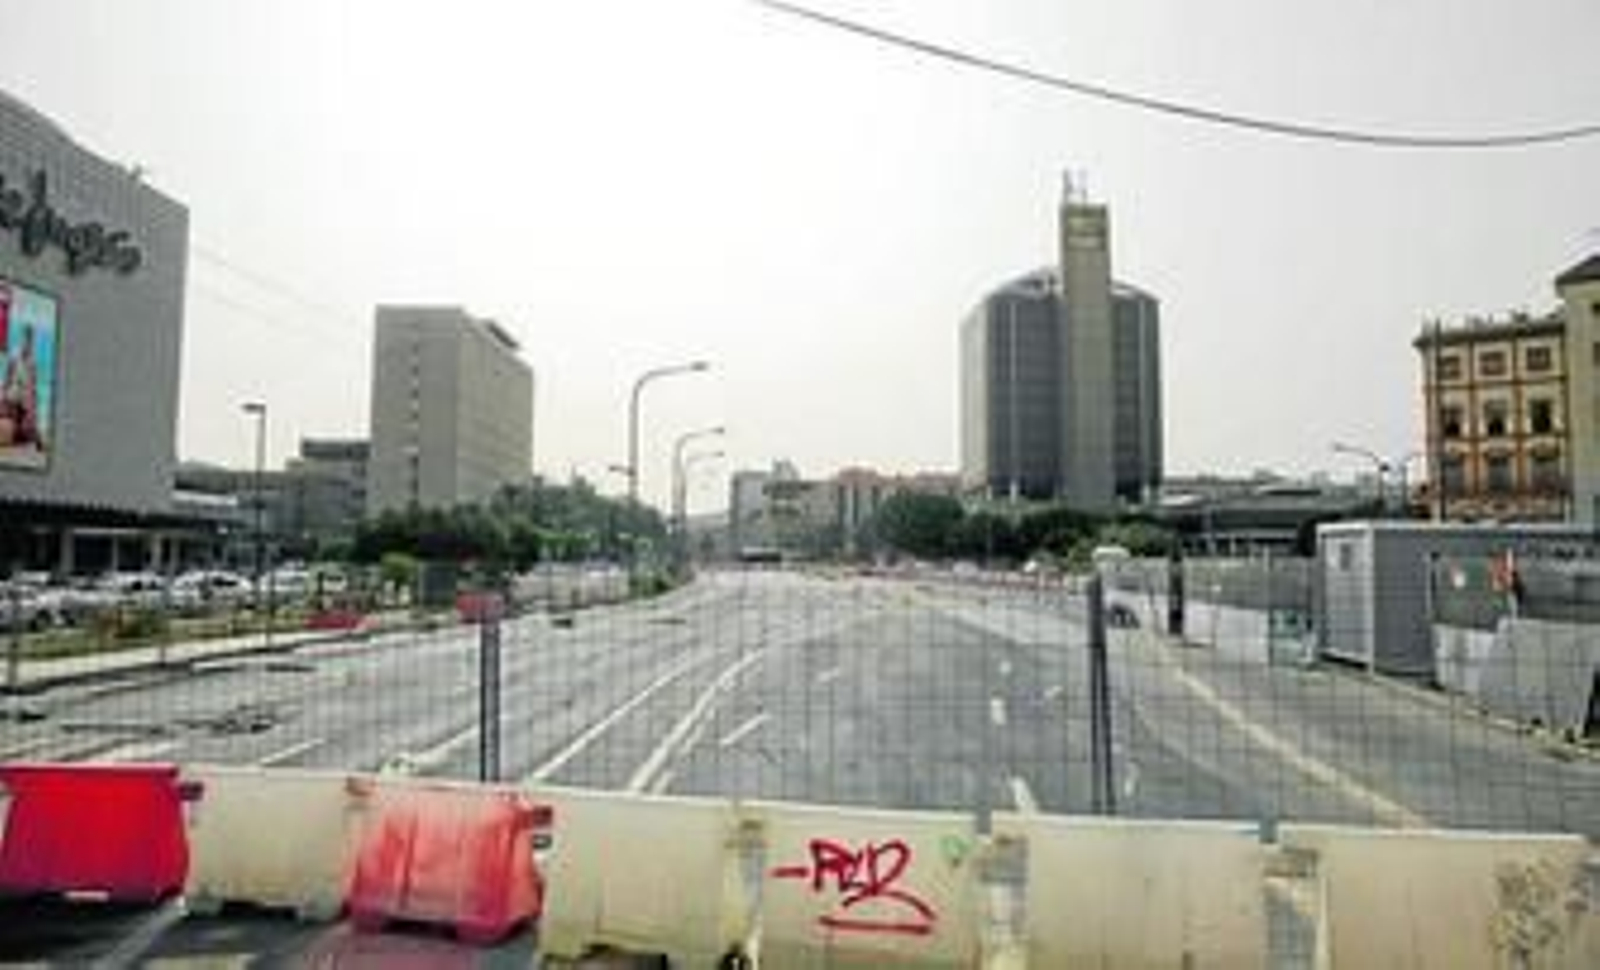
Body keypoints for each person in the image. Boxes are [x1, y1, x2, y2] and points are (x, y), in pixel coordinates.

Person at [2, 324, 40, 449]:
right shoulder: (14, 356)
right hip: (13, 396)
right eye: (25, 338)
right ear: (21, 338)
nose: (27, 342)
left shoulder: (33, 362)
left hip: (24, 400)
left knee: (27, 430)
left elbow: (33, 387)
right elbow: (7, 377)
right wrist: (4, 394)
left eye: (30, 339)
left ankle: (29, 434)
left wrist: (33, 409)